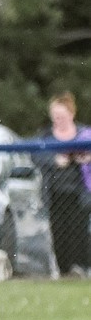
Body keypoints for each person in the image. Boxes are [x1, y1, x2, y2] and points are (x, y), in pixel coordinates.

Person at [31, 91, 91, 276]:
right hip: (56, 193)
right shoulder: (46, 135)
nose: (58, 120)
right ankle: (64, 270)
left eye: (62, 116)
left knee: (80, 232)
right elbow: (35, 155)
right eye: (55, 116)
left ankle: (82, 268)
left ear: (71, 114)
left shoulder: (84, 134)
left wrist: (86, 158)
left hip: (80, 194)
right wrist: (54, 160)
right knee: (59, 232)